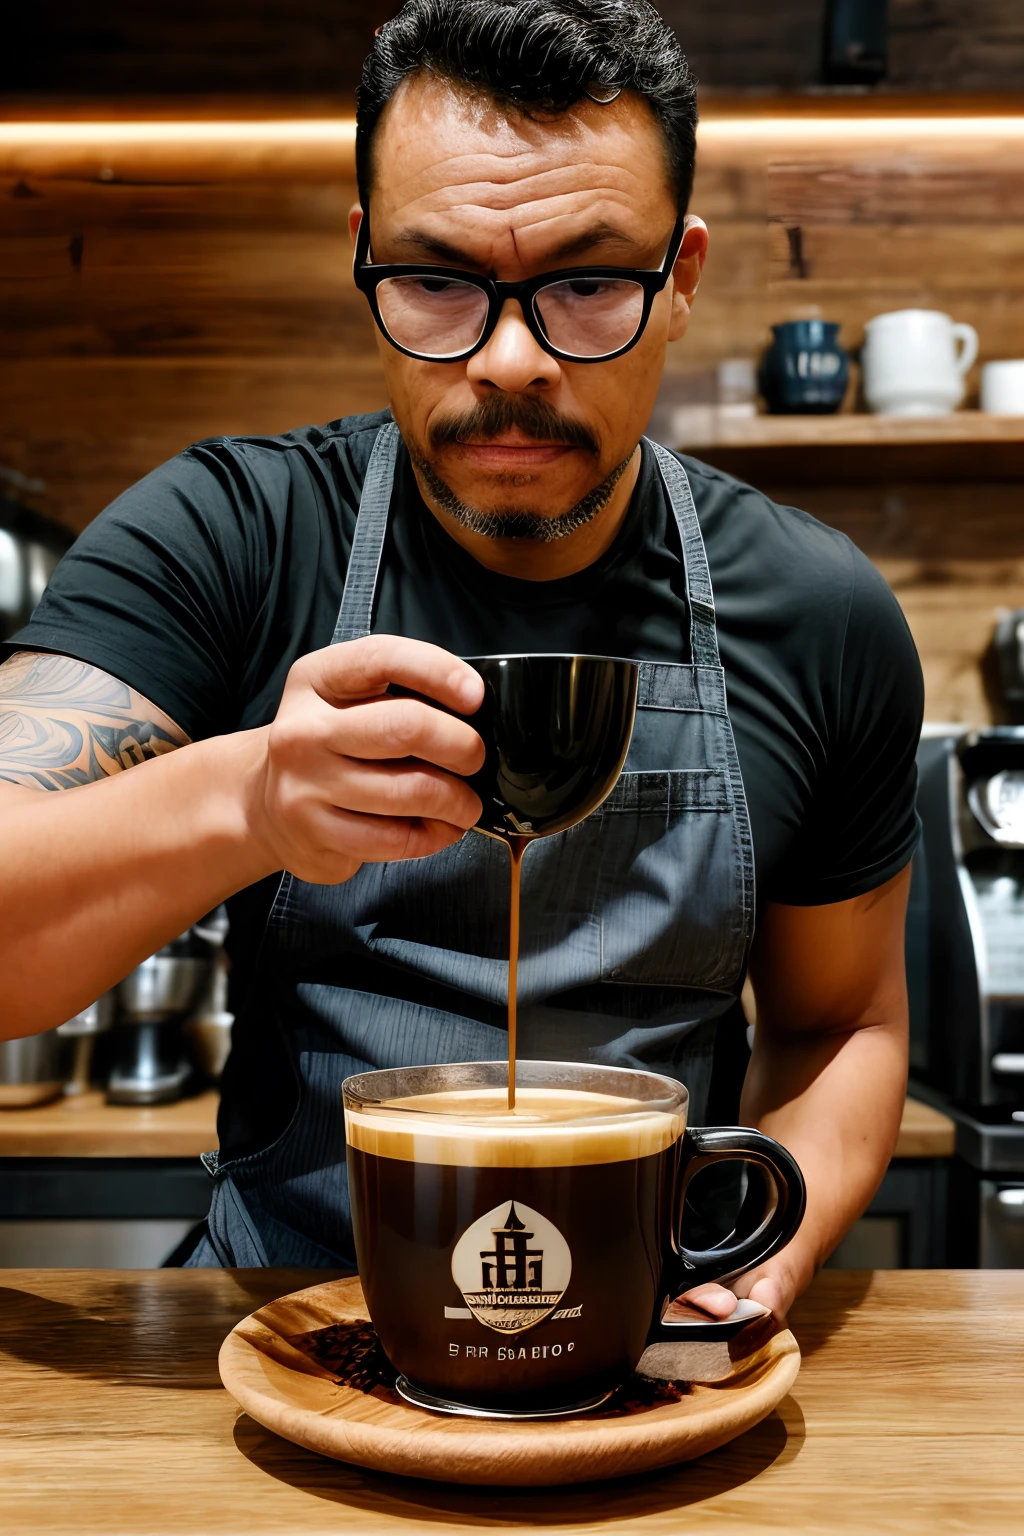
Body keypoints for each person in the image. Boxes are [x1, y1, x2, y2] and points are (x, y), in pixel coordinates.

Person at [0, 0, 921, 1318]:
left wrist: (773, 1237)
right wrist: (248, 801)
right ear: (365, 261)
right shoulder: (234, 537)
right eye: (438, 282)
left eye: (588, 285)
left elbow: (844, 1027)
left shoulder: (820, 613)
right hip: (288, 1322)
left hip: (641, 1334)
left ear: (685, 277)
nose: (510, 360)